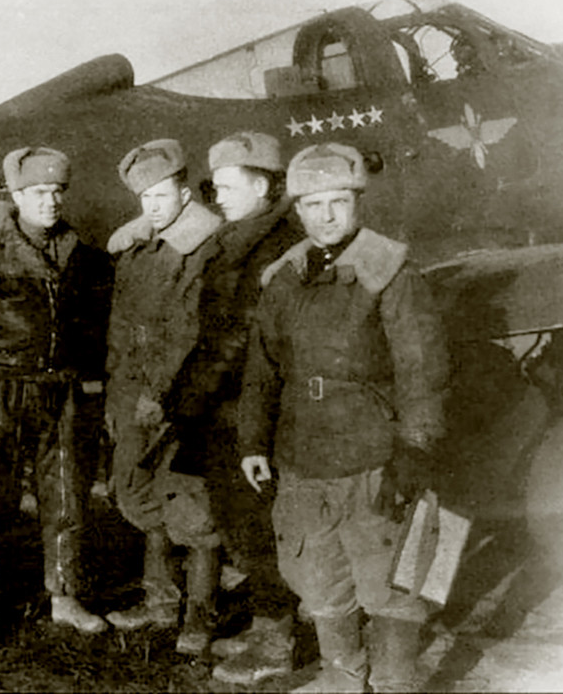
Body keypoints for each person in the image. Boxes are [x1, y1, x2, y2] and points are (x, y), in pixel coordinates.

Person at [238, 143, 450, 692]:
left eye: (338, 201)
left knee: (393, 577)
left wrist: (415, 450)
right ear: (297, 209)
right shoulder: (283, 276)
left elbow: (422, 371)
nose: (326, 216)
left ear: (358, 202)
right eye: (312, 204)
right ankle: (342, 678)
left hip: (374, 453)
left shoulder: (392, 270)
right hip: (304, 455)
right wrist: (253, 442)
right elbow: (262, 367)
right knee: (317, 573)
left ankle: (397, 681)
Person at [0, 146, 113, 640]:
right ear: (16, 196)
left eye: (57, 191)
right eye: (39, 192)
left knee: (66, 494)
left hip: (61, 391)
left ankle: (65, 595)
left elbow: (91, 325)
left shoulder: (78, 252)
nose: (51, 201)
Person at [100, 139, 227, 656]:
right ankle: (159, 599)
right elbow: (120, 325)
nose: (152, 206)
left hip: (180, 393)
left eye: (161, 195)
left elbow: (188, 330)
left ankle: (199, 613)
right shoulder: (137, 247)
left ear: (184, 193)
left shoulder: (206, 248)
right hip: (132, 391)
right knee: (138, 491)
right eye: (145, 197)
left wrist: (158, 394)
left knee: (190, 504)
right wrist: (117, 395)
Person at [199, 131, 306, 685]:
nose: (217, 197)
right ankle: (268, 623)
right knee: (240, 521)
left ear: (262, 186)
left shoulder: (277, 245)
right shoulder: (238, 238)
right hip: (230, 405)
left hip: (255, 408)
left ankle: (276, 640)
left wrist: (191, 393)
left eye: (226, 186)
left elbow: (245, 335)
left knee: (260, 524)